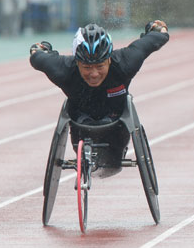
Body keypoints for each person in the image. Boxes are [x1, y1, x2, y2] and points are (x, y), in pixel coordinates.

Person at [30, 20, 169, 177]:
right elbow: (38, 57)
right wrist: (41, 50)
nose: (94, 73)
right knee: (83, 121)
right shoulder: (63, 70)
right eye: (87, 67)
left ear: (109, 59)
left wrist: (157, 29)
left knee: (113, 148)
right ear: (76, 62)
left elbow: (154, 39)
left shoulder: (125, 62)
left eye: (100, 66)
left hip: (117, 126)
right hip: (80, 125)